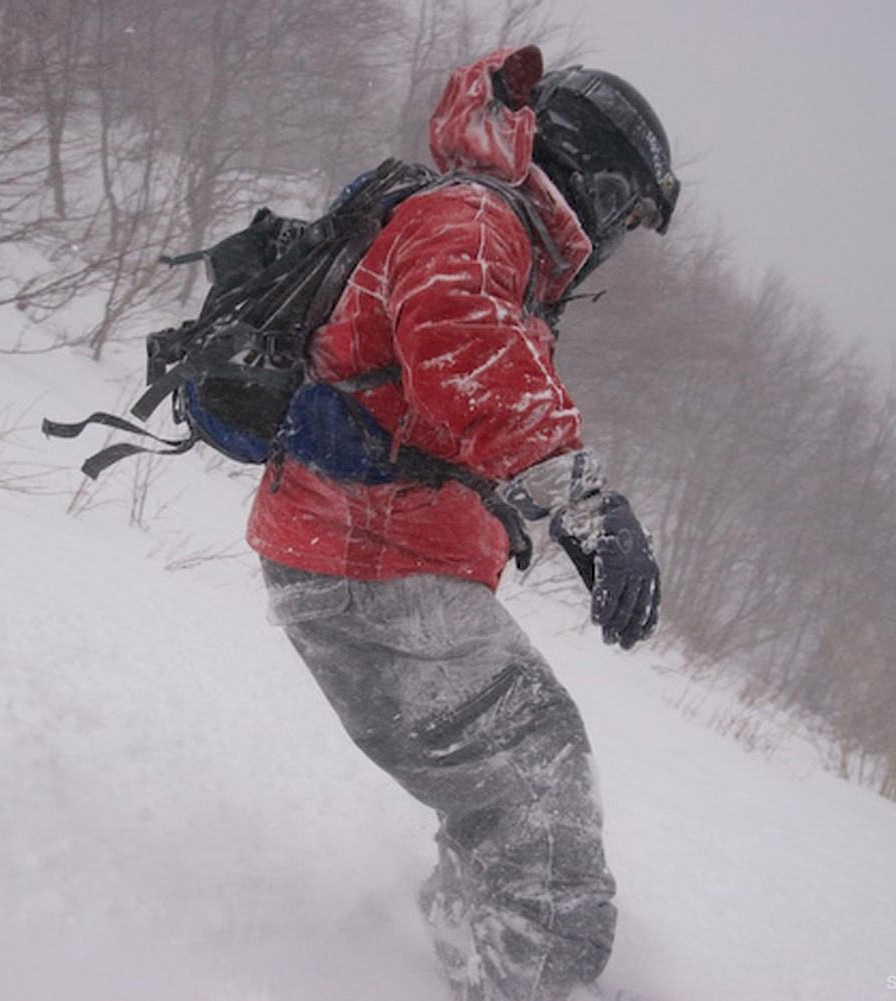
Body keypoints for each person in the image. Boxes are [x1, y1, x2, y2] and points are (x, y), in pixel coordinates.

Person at [246, 45, 679, 1001]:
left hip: (375, 557)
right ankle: (530, 976)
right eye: (627, 216)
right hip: (369, 561)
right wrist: (587, 506)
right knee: (536, 785)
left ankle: (475, 951)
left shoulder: (491, 229)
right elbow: (463, 348)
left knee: (513, 781)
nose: (618, 239)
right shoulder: (476, 218)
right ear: (599, 180)